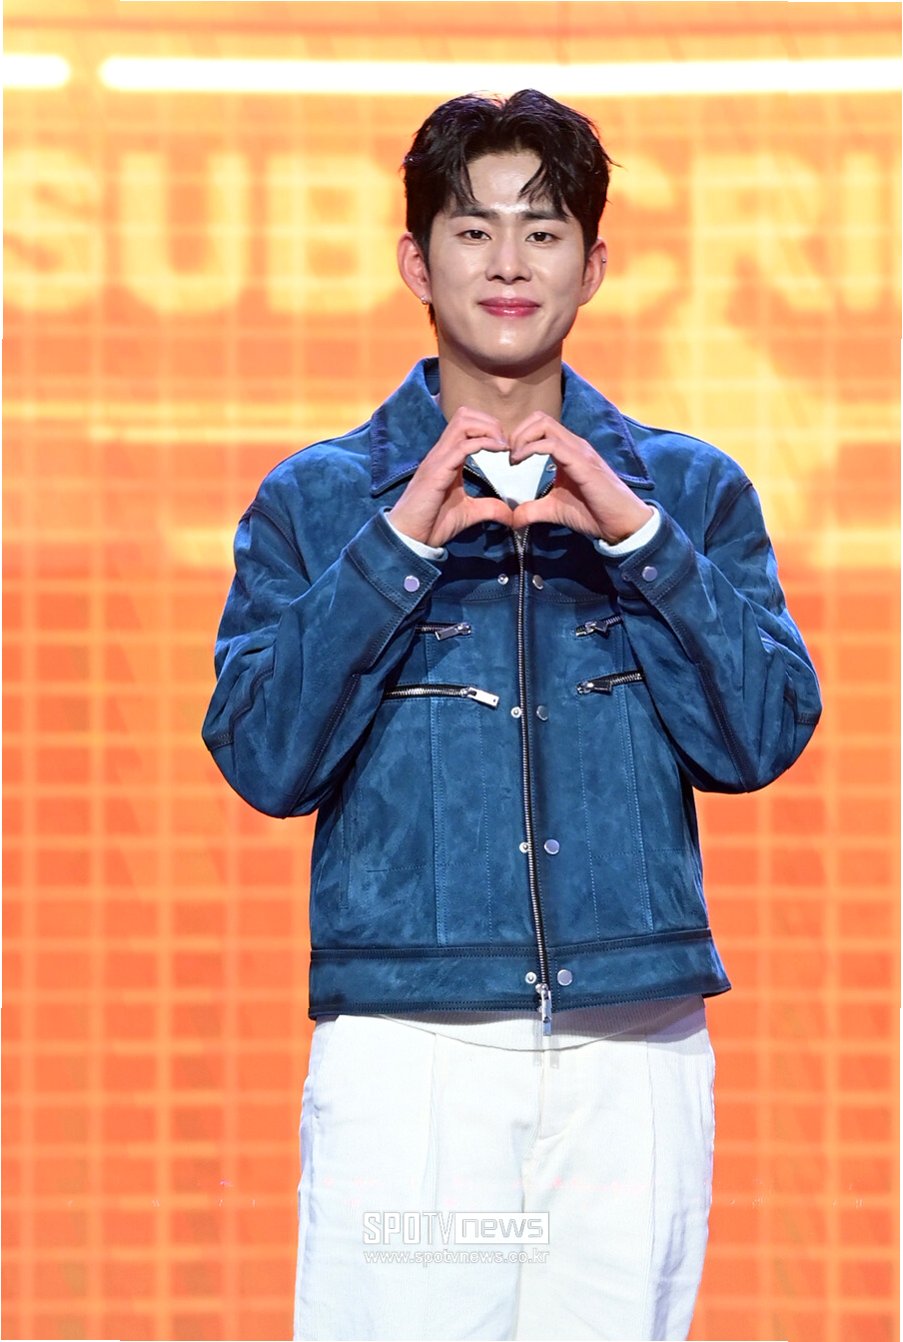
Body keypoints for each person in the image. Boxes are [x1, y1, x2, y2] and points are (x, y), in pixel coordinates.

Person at [202, 90, 821, 1342]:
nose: (507, 263)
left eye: (542, 232)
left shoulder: (686, 490)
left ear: (593, 265)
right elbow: (265, 758)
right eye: (473, 230)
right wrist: (395, 546)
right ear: (415, 261)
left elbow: (759, 737)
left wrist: (641, 544)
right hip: (412, 1055)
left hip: (635, 1046)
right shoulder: (319, 500)